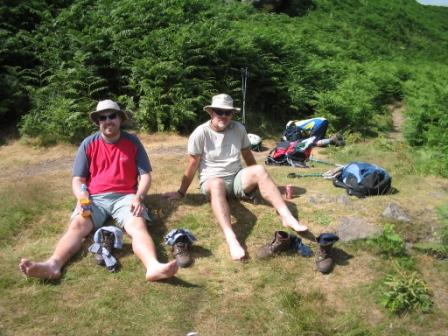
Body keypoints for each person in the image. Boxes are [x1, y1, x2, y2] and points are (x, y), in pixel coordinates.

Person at [19, 99, 178, 281]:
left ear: (120, 119)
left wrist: (138, 197)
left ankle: (153, 266)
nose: (108, 120)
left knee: (137, 225)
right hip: (94, 198)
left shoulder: (132, 142)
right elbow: (78, 179)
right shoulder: (88, 143)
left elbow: (146, 176)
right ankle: (53, 265)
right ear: (98, 122)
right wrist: (81, 196)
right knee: (78, 226)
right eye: (103, 117)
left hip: (126, 196)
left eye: (112, 116)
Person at [163, 94, 308, 260]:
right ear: (211, 113)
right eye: (219, 111)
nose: (224, 116)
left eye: (228, 112)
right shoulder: (200, 133)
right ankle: (231, 237)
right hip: (212, 181)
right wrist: (181, 192)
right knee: (217, 183)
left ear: (232, 114)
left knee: (260, 169)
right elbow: (192, 165)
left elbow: (247, 155)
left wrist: (263, 182)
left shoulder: (238, 128)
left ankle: (286, 216)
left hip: (236, 178)